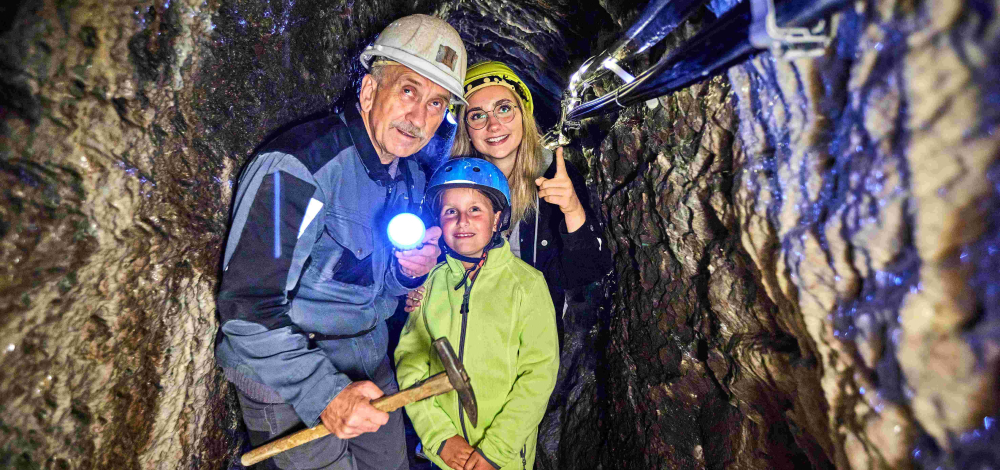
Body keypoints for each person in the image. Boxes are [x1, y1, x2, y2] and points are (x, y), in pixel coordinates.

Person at [214, 14, 468, 470]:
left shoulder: (409, 177)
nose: (418, 117)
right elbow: (248, 309)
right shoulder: (296, 169)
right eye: (408, 90)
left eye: (436, 104)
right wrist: (324, 394)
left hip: (368, 364)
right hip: (290, 374)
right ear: (370, 90)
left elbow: (370, 285)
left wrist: (405, 273)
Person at [407, 61, 612, 338]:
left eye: (504, 109)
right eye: (477, 115)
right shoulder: (446, 185)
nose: (493, 125)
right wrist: (418, 279)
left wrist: (572, 210)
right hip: (456, 334)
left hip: (529, 340)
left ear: (523, 114)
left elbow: (587, 272)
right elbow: (426, 262)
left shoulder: (557, 179)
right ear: (466, 128)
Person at [395, 158, 559, 470]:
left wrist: (495, 451)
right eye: (450, 212)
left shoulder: (526, 285)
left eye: (475, 210)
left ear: (497, 218)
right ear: (439, 222)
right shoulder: (429, 283)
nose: (462, 221)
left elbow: (538, 375)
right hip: (444, 457)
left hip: (504, 459)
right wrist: (441, 438)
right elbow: (410, 365)